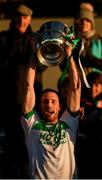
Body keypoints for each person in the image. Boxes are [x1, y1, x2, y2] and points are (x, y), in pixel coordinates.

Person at [21, 42, 81, 179]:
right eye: (45, 102)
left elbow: (76, 88)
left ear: (60, 107)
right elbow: (28, 88)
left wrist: (69, 53)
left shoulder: (69, 122)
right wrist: (34, 55)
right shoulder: (31, 124)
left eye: (53, 101)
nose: (49, 105)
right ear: (40, 107)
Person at [0, 3, 38, 178]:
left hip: (30, 99)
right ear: (13, 18)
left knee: (30, 142)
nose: (22, 20)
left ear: (30, 18)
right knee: (11, 144)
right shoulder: (4, 38)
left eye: (25, 17)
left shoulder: (36, 38)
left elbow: (44, 67)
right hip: (8, 99)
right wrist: (13, 47)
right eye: (19, 17)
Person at [75, 71, 102, 178]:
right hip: (84, 150)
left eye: (97, 85)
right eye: (90, 84)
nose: (93, 88)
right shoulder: (82, 102)